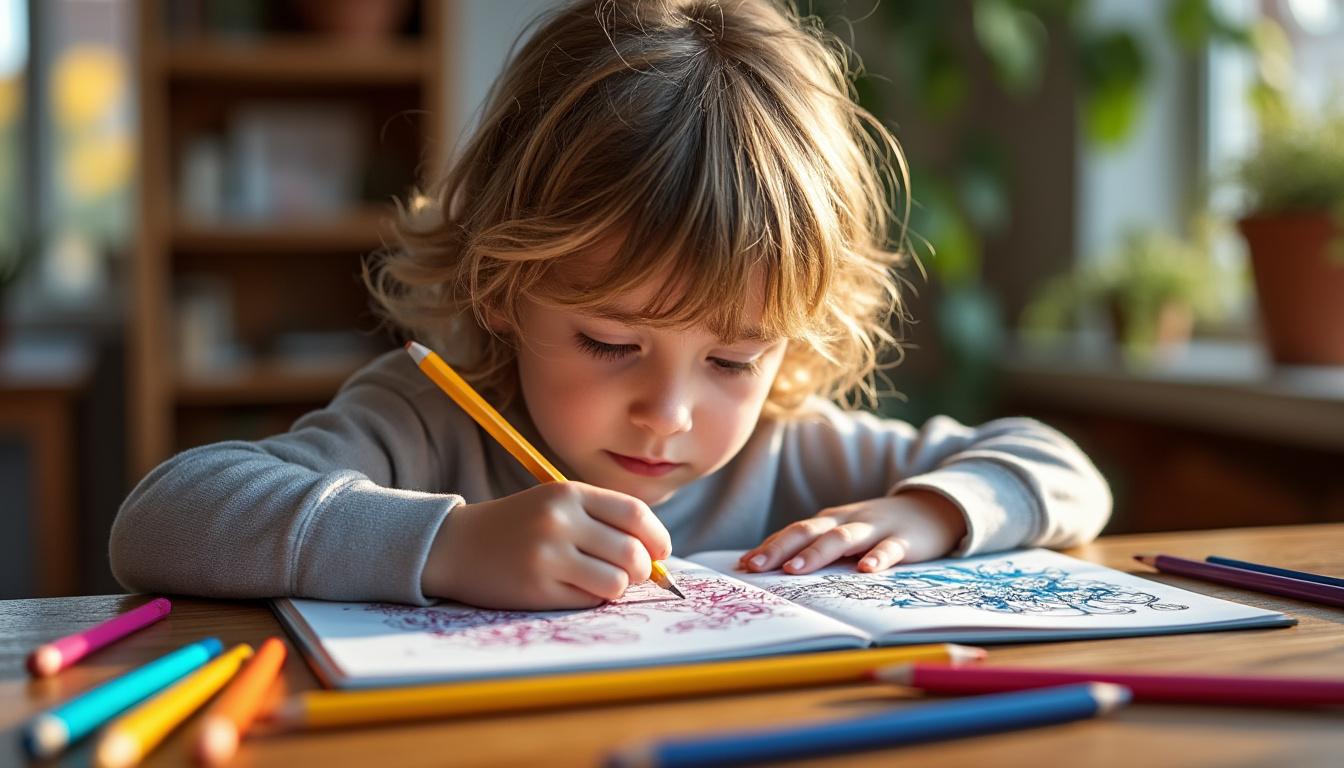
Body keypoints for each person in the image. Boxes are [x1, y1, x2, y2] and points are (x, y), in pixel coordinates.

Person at [110, 0, 1110, 611]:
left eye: (733, 360)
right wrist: (449, 545)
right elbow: (160, 519)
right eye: (609, 340)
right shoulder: (425, 422)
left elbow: (1062, 472)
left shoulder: (795, 449)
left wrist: (930, 511)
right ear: (503, 288)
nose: (670, 415)